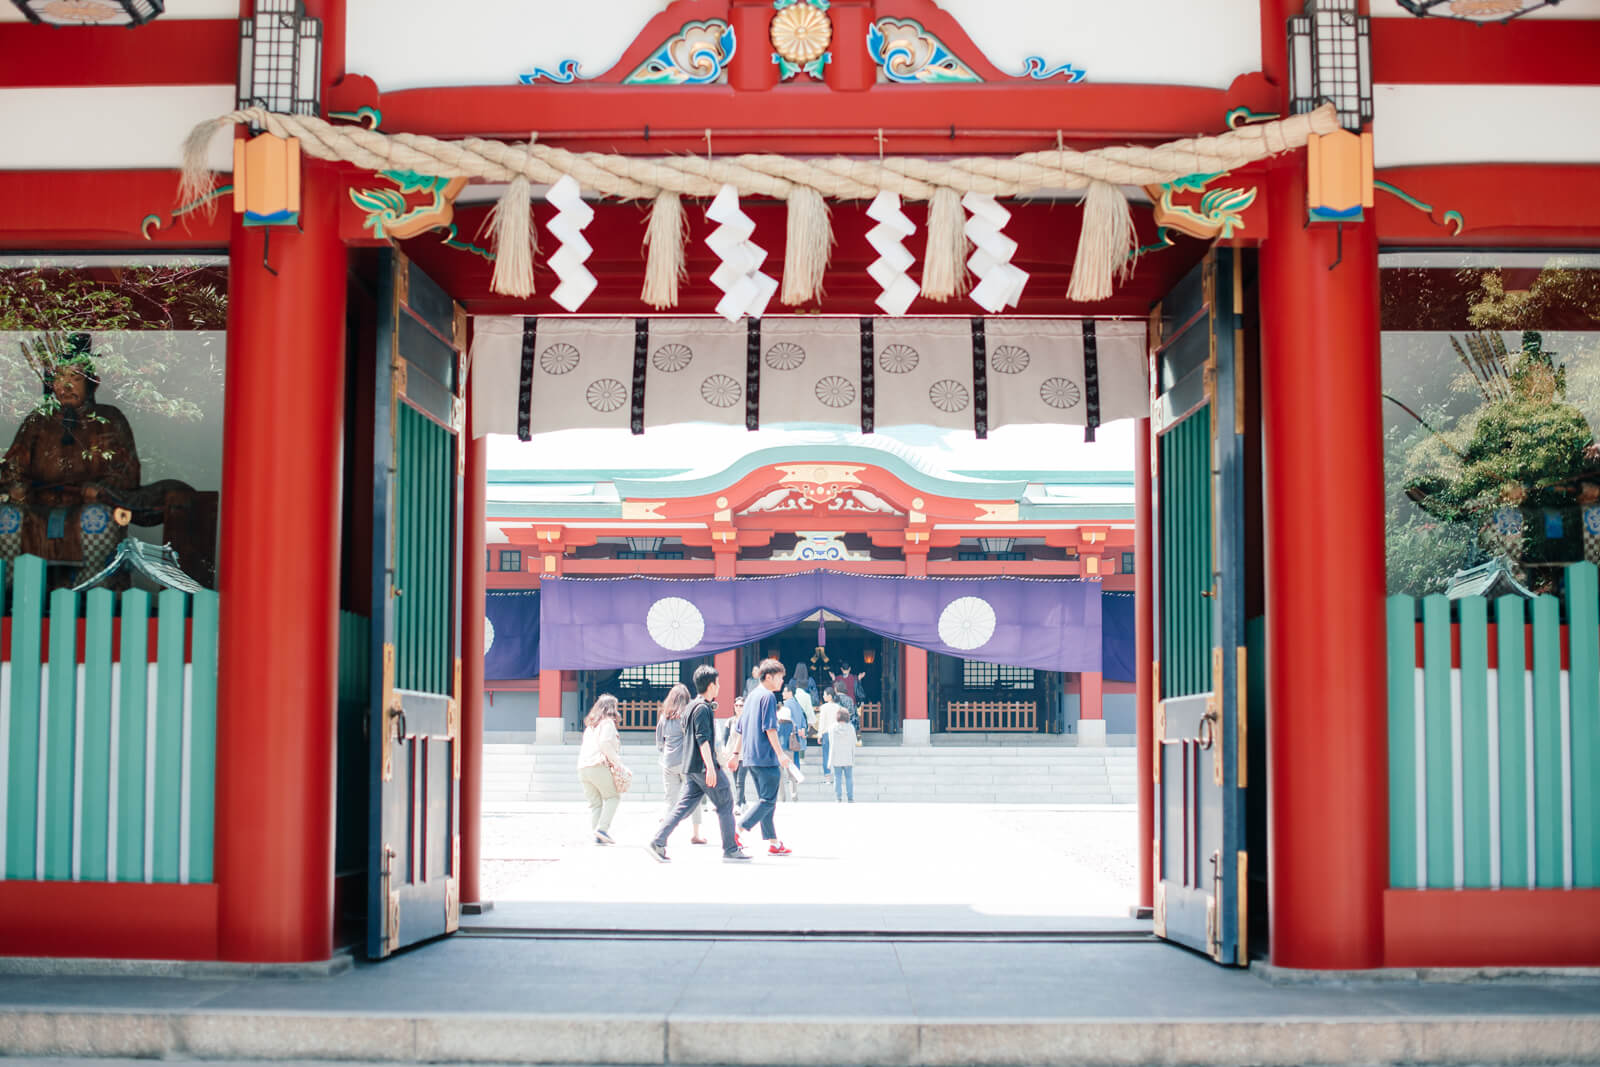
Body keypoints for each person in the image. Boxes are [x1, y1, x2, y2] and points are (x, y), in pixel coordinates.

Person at [647, 665, 750, 863]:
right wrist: (711, 767)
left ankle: (658, 841)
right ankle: (731, 848)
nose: (719, 687)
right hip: (703, 767)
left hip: (691, 768)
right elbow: (703, 740)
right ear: (711, 685)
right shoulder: (703, 708)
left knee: (682, 807)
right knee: (726, 801)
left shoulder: (690, 707)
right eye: (718, 683)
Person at [726, 658, 794, 855]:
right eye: (780, 678)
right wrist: (781, 754)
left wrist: (735, 754)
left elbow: (741, 729)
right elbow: (770, 728)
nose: (782, 682)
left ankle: (774, 842)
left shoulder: (751, 697)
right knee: (768, 801)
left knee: (766, 801)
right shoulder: (768, 697)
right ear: (769, 677)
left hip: (750, 757)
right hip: (766, 757)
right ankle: (737, 829)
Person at [654, 682, 706, 845]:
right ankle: (696, 834)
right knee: (694, 797)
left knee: (670, 799)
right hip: (686, 762)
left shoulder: (664, 716)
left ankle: (663, 836)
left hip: (668, 762)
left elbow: (659, 743)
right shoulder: (688, 715)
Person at [576, 694, 627, 844]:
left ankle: (597, 835)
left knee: (595, 803)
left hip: (583, 767)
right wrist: (618, 763)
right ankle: (602, 829)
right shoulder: (607, 723)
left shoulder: (590, 726)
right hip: (597, 765)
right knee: (612, 797)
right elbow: (605, 743)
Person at [827, 706, 857, 802]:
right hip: (847, 755)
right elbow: (854, 742)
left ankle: (838, 798)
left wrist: (829, 760)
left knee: (837, 778)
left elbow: (831, 743)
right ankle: (850, 798)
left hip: (836, 756)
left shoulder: (832, 728)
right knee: (849, 778)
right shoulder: (851, 728)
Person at [816, 686, 842, 782]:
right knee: (836, 754)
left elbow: (822, 722)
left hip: (826, 733)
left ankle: (827, 777)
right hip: (836, 733)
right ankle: (836, 775)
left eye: (824, 695)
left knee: (826, 755)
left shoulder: (824, 707)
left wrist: (819, 735)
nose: (823, 696)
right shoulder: (838, 707)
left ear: (830, 696)